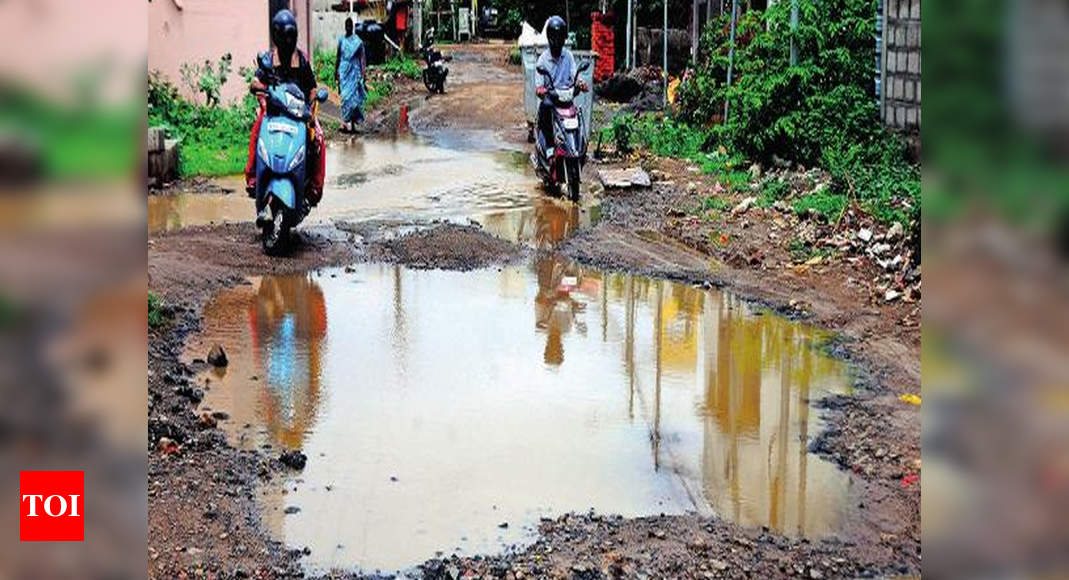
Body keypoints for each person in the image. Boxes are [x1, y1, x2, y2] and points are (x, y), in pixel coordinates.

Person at [245, 9, 326, 210]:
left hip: (299, 113)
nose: (287, 40)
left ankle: (314, 187)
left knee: (318, 139)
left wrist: (314, 98)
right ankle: (253, 177)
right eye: (283, 35)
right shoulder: (268, 59)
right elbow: (255, 81)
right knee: (256, 131)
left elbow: (312, 86)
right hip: (273, 110)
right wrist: (261, 87)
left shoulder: (302, 60)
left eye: (290, 35)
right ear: (276, 36)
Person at [535, 16, 587, 149]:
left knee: (578, 115)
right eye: (554, 38)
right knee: (545, 107)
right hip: (551, 100)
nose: (557, 41)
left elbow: (574, 75)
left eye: (560, 38)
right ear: (549, 38)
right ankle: (549, 149)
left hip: (566, 98)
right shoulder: (542, 60)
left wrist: (580, 83)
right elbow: (539, 86)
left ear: (564, 39)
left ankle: (579, 146)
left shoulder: (568, 56)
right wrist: (541, 90)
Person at [335, 17, 367, 132]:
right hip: (344, 72)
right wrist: (336, 72)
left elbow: (362, 59)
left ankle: (353, 125)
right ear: (345, 27)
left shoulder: (358, 42)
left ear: (352, 27)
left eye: (350, 26)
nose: (348, 28)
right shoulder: (341, 41)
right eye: (346, 26)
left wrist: (363, 74)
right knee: (345, 98)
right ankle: (345, 123)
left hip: (354, 72)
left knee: (354, 101)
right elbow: (338, 56)